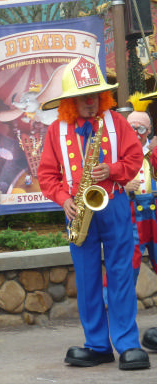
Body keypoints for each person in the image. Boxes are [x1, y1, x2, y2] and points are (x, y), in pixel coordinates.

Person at [37, 56, 149, 370]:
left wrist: (111, 170)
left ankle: (127, 344)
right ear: (70, 101)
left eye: (95, 95)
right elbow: (47, 175)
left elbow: (135, 157)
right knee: (87, 280)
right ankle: (97, 344)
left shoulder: (117, 122)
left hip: (112, 204)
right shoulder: (56, 130)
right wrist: (63, 199)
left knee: (121, 276)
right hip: (78, 210)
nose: (91, 102)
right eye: (84, 97)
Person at [130, 90, 157, 352]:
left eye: (140, 128)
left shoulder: (155, 151)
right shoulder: (123, 156)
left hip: (155, 213)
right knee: (129, 265)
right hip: (133, 216)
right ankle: (121, 324)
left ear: (147, 130)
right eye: (131, 128)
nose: (136, 133)